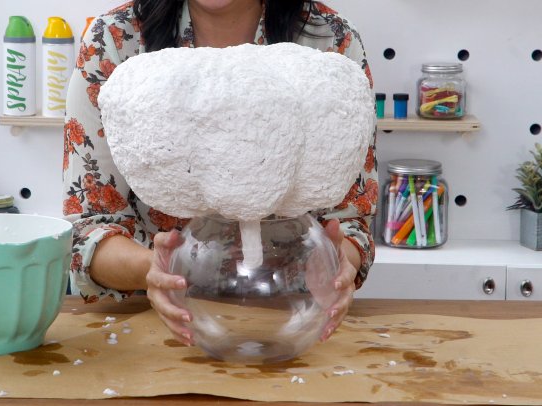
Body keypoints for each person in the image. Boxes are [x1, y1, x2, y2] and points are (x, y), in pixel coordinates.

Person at [63, 0, 378, 346]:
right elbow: (87, 230)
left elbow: (351, 221)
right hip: (150, 327)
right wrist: (154, 270)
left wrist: (336, 263)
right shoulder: (114, 39)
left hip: (293, 318)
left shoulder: (329, 38)